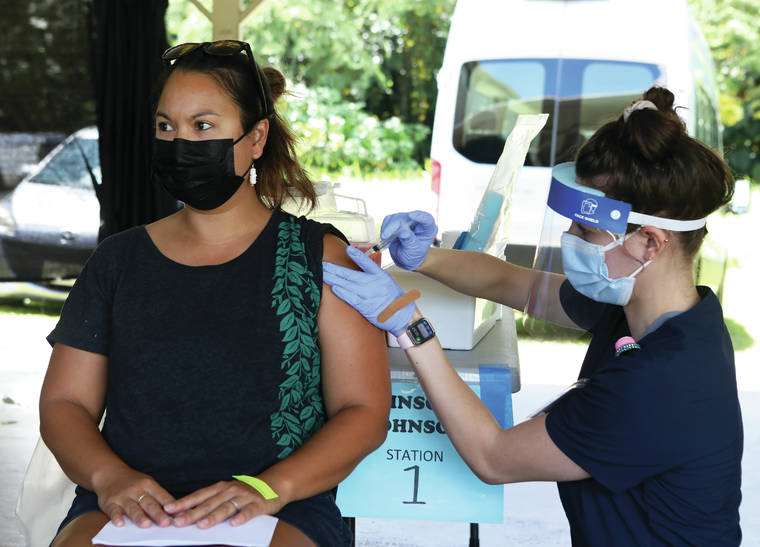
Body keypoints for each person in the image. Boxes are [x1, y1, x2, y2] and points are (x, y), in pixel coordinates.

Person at [323, 86, 743, 546]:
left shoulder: (661, 382)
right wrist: (424, 257)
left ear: (649, 242)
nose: (569, 237)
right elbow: (514, 284)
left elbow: (494, 456)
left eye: (585, 229)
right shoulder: (665, 316)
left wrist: (411, 326)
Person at [40, 40, 389, 547]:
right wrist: (108, 477)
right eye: (166, 127)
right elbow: (65, 402)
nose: (180, 142)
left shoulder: (319, 256)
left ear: (256, 137)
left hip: (281, 502)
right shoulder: (117, 261)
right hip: (127, 504)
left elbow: (364, 411)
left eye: (202, 126)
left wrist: (269, 488)